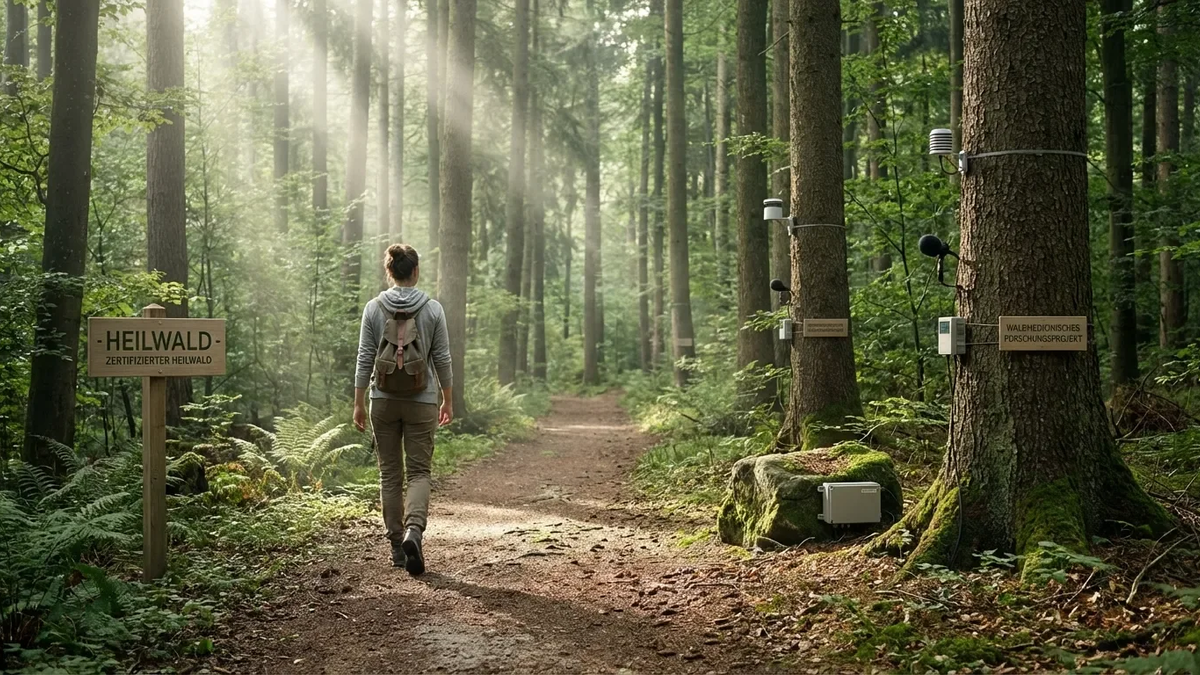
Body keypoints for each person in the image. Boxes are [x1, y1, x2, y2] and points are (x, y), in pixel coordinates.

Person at [353, 244, 453, 575]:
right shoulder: (433, 309)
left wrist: (358, 402)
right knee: (419, 472)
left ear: (390, 272)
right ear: (416, 271)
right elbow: (442, 359)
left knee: (389, 474)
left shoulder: (372, 307)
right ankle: (414, 530)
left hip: (381, 400)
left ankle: (397, 547)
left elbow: (365, 357)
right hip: (422, 400)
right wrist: (447, 399)